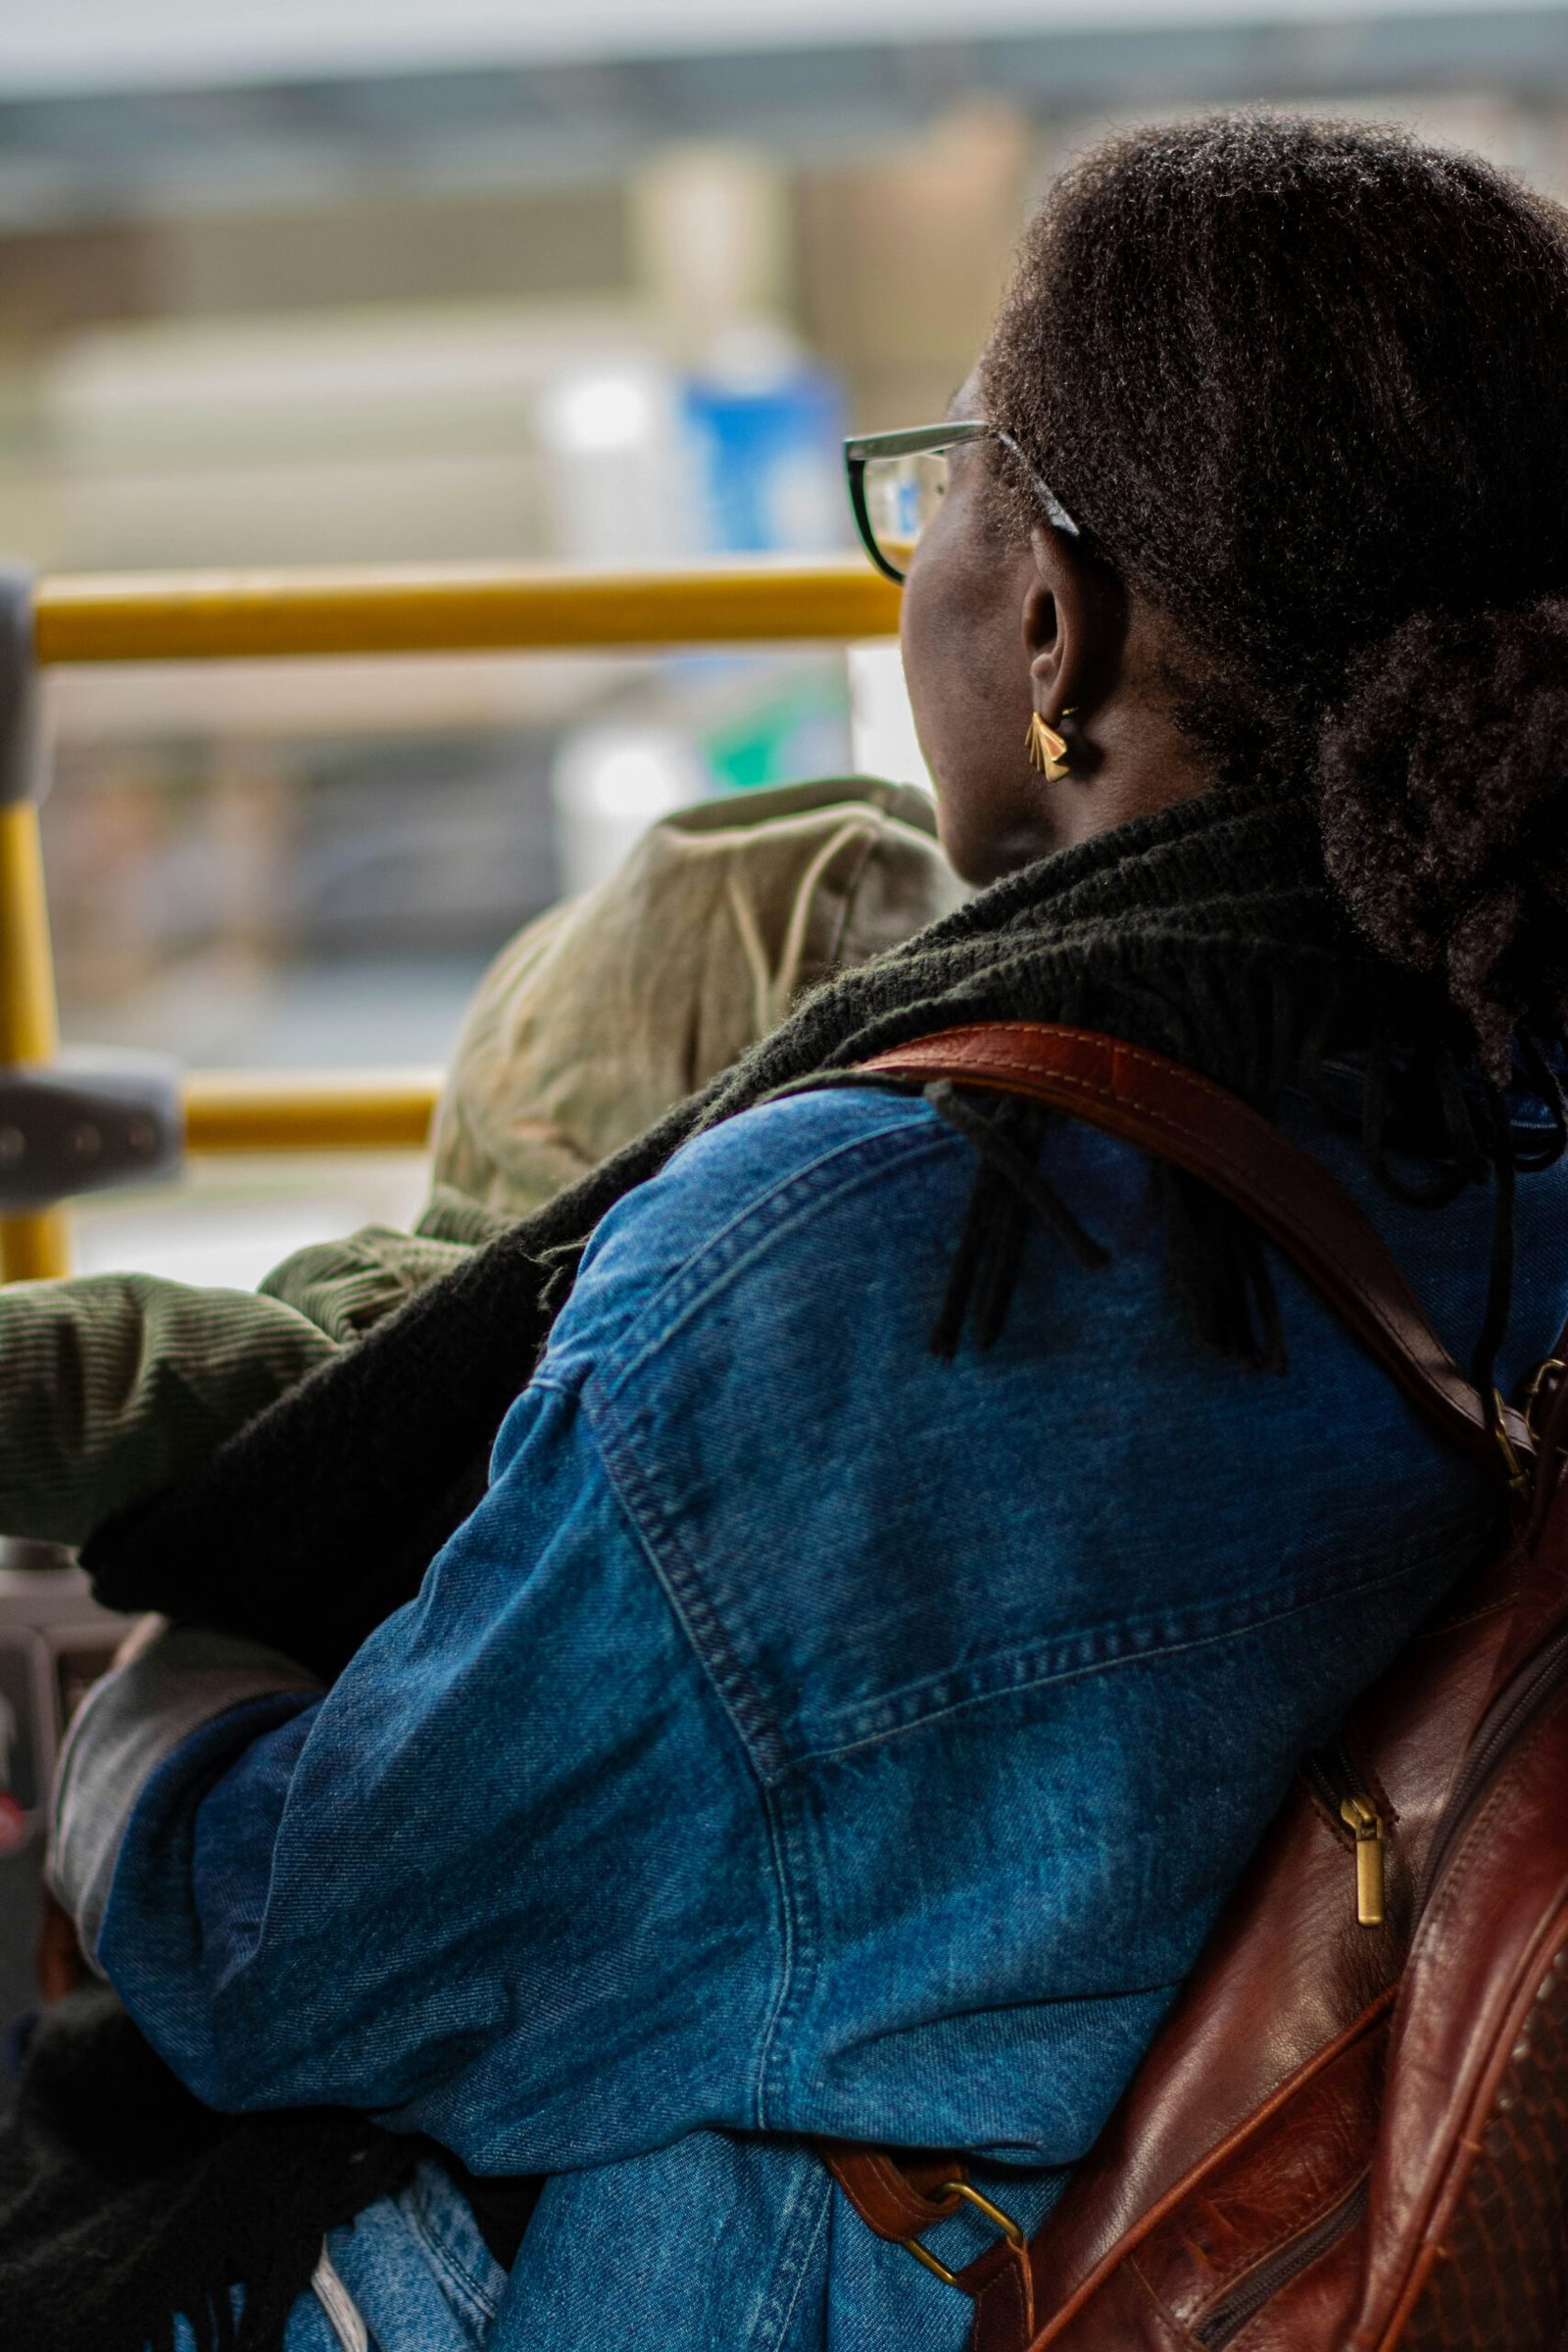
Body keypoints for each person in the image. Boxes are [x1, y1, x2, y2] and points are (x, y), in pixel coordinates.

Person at [34, 113, 1568, 2352]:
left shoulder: (871, 1246)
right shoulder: (1501, 1103)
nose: (917, 555)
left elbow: (276, 1955)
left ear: (1054, 619)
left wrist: (148, 1708)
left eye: (946, 475)